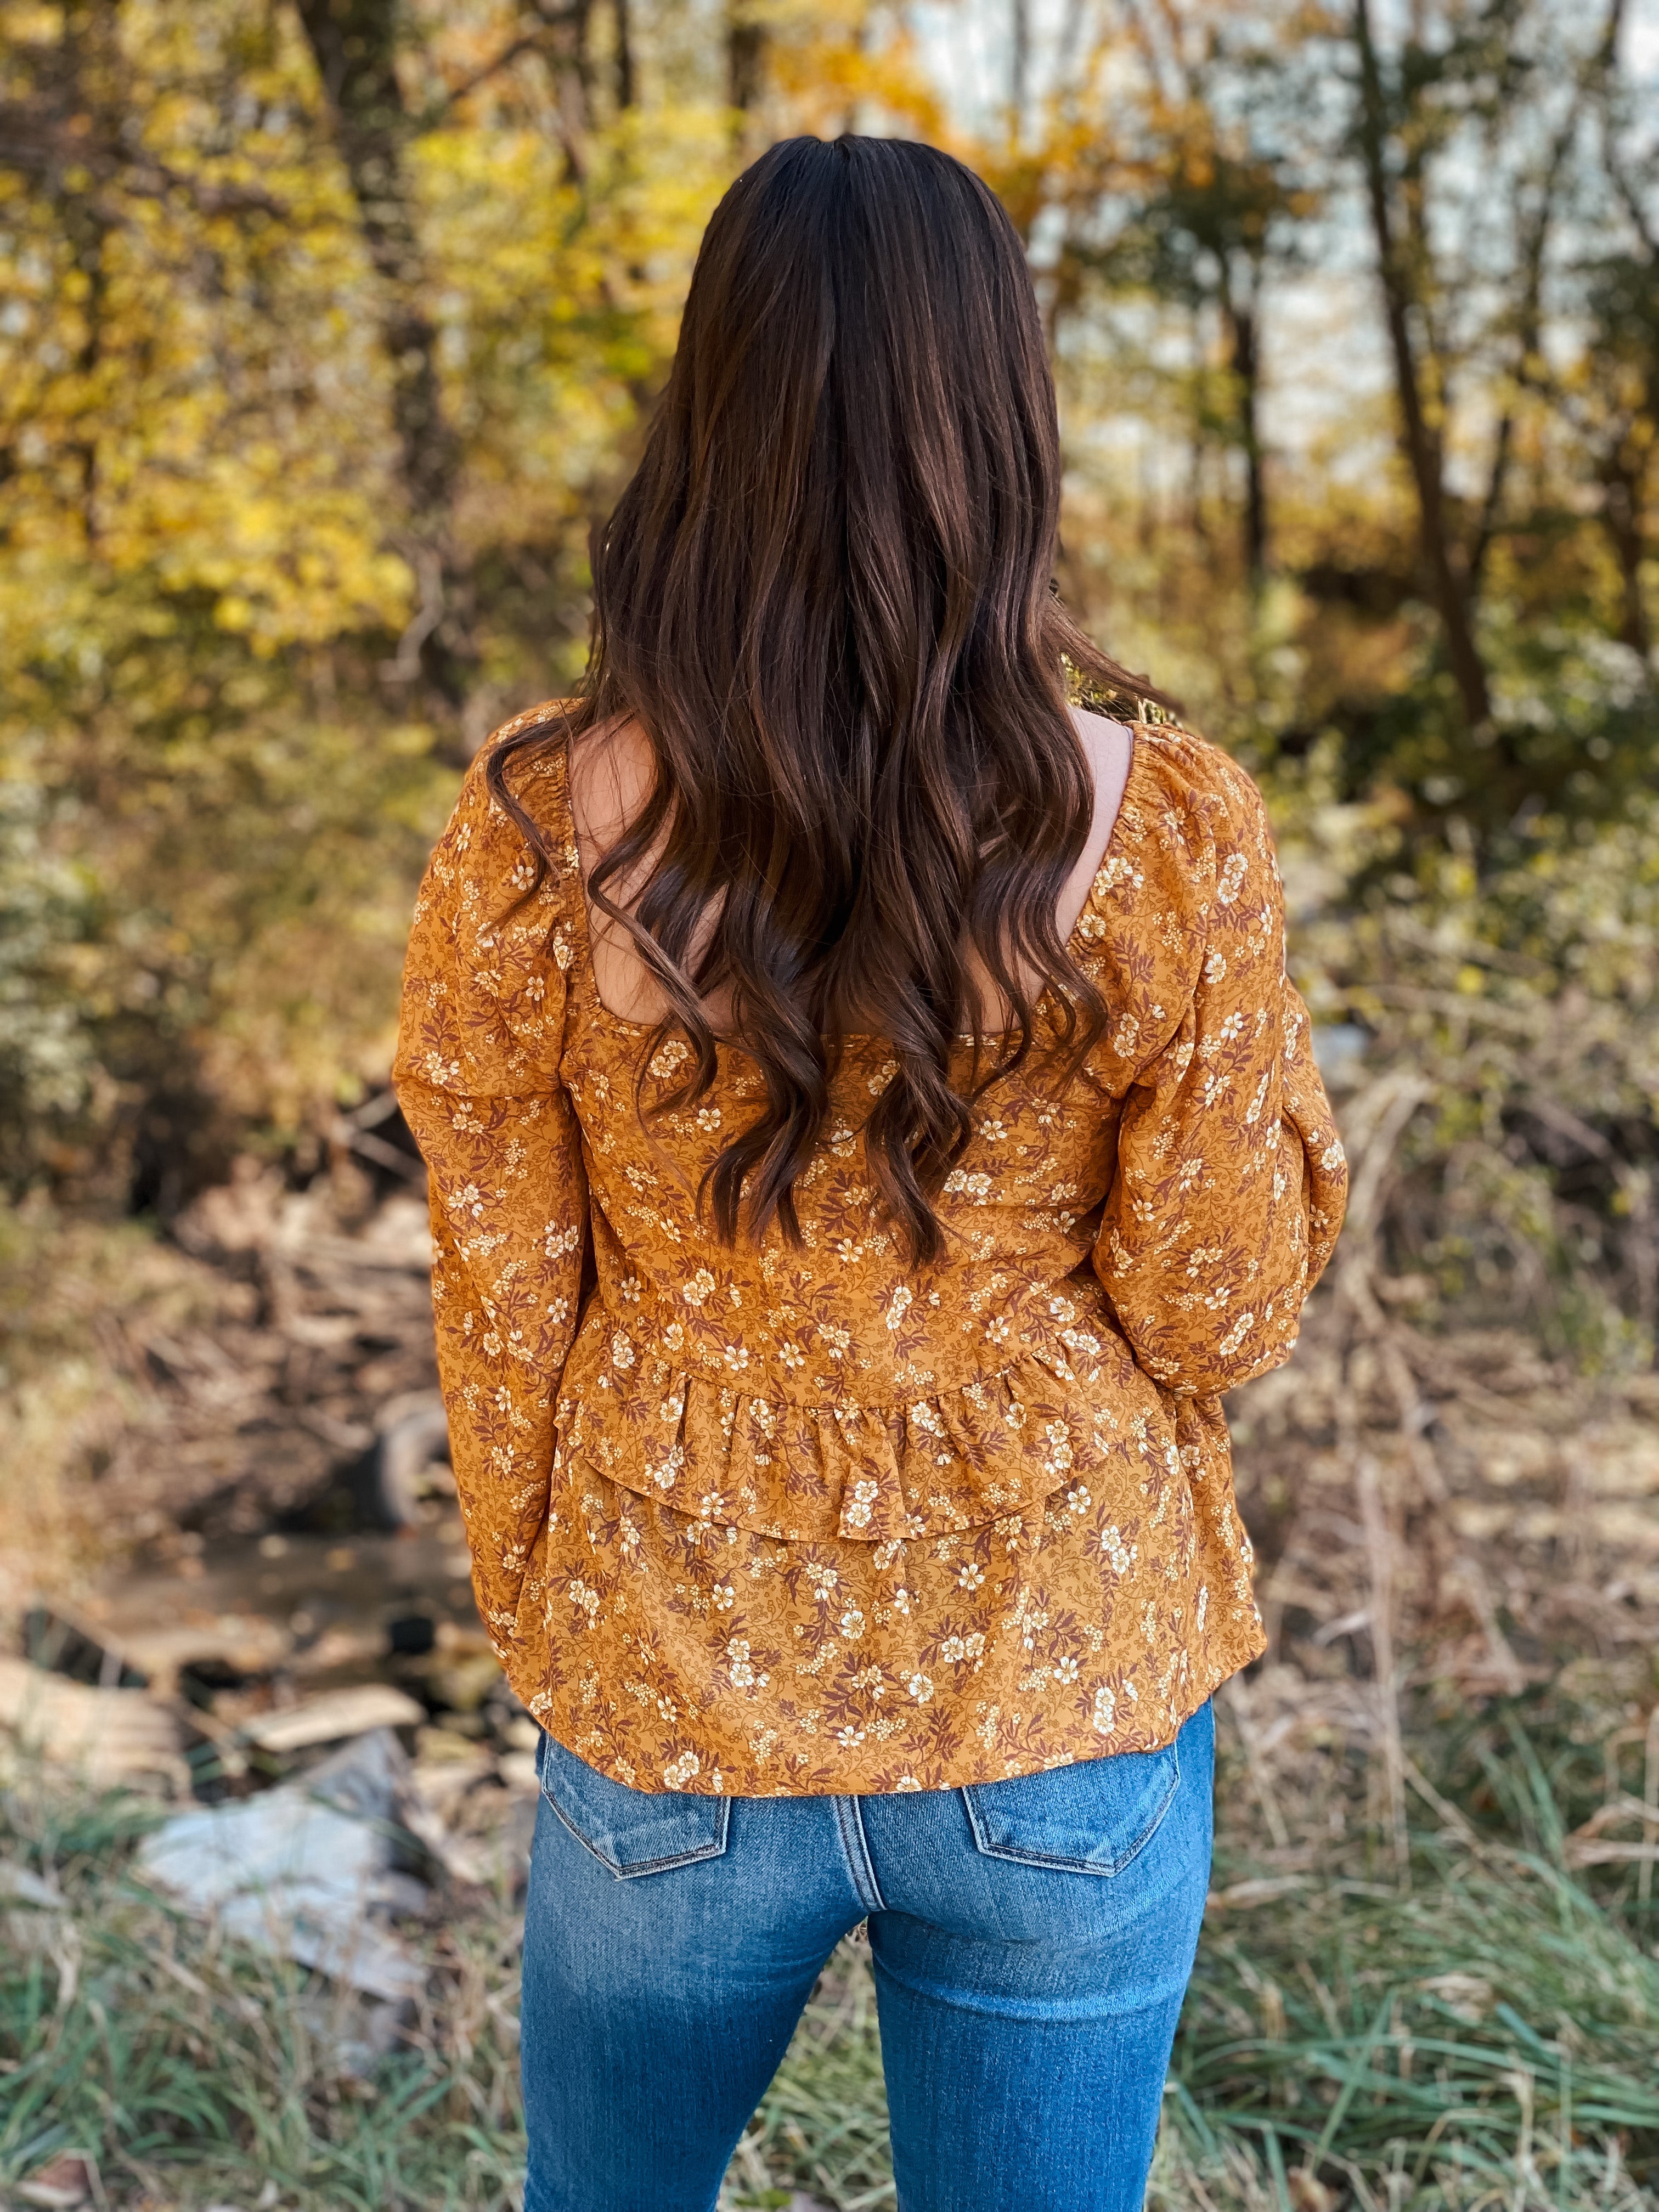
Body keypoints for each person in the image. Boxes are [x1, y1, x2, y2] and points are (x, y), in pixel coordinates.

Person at [393, 132, 1346, 2212]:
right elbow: (1220, 1309)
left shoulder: (540, 827)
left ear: (702, 418)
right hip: (1060, 1665)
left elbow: (499, 1282)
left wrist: (551, 1600)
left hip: (670, 1654)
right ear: (1001, 421)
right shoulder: (1164, 824)